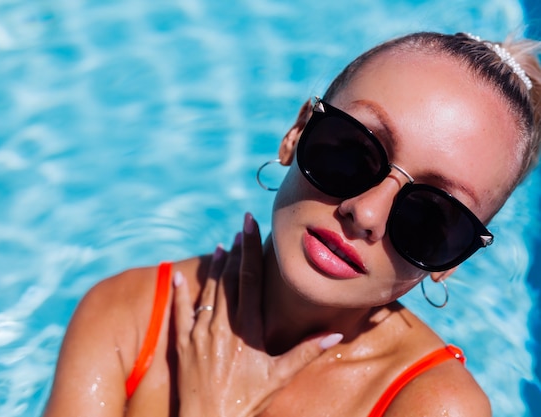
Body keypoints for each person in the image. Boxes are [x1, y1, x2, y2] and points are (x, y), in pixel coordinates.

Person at [43, 31, 541, 417]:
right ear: (297, 133)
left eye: (433, 215)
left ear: (453, 261)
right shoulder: (126, 320)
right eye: (353, 151)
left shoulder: (430, 405)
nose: (365, 214)